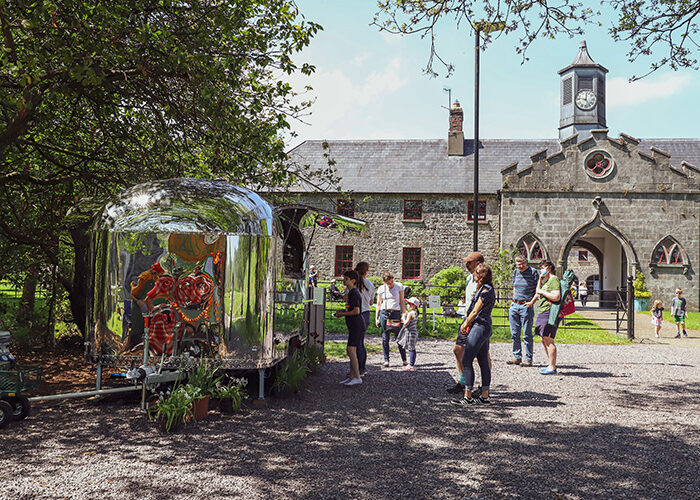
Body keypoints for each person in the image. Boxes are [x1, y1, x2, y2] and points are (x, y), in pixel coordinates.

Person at [450, 263, 496, 406]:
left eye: (476, 272)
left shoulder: (485, 290)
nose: (473, 275)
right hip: (484, 327)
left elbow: (475, 311)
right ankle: (485, 396)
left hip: (479, 327)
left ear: (480, 275)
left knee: (467, 360)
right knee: (483, 361)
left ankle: (468, 396)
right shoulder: (486, 288)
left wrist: (465, 323)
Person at [447, 252, 486, 394]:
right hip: (467, 318)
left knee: (483, 355)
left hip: (478, 321)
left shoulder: (483, 281)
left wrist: (471, 319)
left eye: (469, 262)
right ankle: (463, 381)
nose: (466, 264)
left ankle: (483, 386)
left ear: (477, 263)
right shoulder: (470, 279)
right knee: (458, 350)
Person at [506, 255, 539, 367]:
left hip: (526, 305)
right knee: (514, 333)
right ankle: (517, 357)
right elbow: (514, 287)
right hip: (515, 305)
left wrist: (532, 302)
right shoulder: (515, 272)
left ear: (526, 262)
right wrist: (512, 301)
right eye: (518, 264)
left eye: (522, 264)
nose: (520, 266)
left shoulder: (533, 272)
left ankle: (528, 358)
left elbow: (538, 290)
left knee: (527, 334)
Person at [333, 270, 363, 386]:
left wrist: (342, 314)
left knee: (351, 350)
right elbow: (351, 309)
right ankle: (352, 376)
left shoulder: (354, 293)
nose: (344, 281)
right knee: (352, 350)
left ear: (353, 281)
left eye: (346, 279)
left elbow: (356, 311)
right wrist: (342, 311)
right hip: (353, 324)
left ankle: (357, 376)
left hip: (356, 324)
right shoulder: (351, 293)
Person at [532, 260, 561, 375]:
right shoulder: (547, 281)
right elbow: (538, 292)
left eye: (542, 267)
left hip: (549, 312)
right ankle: (550, 364)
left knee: (548, 339)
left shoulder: (554, 280)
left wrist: (543, 292)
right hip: (543, 311)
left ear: (548, 268)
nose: (541, 270)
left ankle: (552, 367)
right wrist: (540, 280)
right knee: (543, 338)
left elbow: (556, 297)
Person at [375, 272, 406, 367]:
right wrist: (376, 317)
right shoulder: (381, 289)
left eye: (391, 282)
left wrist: (404, 313)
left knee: (399, 337)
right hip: (385, 313)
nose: (390, 284)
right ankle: (386, 360)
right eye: (388, 283)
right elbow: (379, 303)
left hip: (395, 313)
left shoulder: (399, 286)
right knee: (385, 338)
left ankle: (404, 360)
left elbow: (401, 301)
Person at [354, 261, 375, 375]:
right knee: (360, 341)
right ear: (366, 272)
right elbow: (371, 302)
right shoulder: (370, 285)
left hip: (355, 314)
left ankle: (357, 368)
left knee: (355, 343)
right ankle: (361, 367)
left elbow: (346, 298)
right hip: (365, 313)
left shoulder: (353, 283)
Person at [397, 297, 420, 371]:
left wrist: (403, 317)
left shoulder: (411, 313)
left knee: (411, 348)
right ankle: (411, 364)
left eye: (409, 304)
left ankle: (411, 365)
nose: (407, 305)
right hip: (413, 332)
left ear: (414, 306)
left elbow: (406, 323)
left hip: (410, 333)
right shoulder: (415, 313)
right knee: (412, 348)